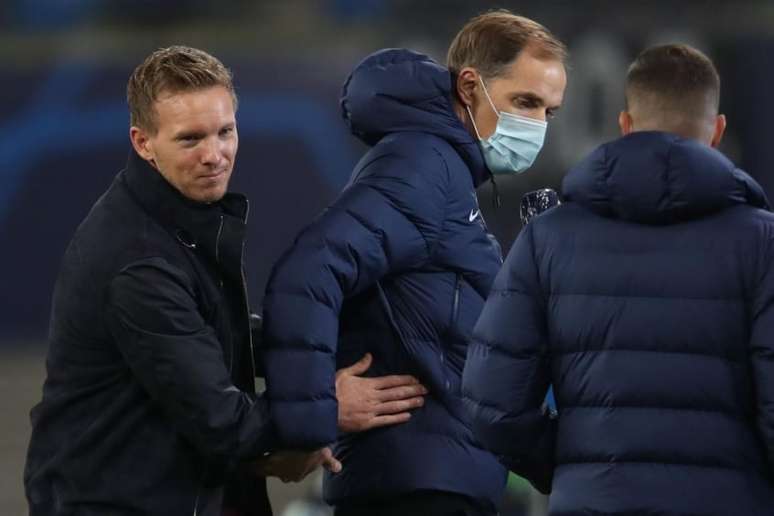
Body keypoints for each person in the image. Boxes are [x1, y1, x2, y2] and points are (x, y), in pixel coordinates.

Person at [24, 45, 426, 516]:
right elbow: (223, 420)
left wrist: (331, 344)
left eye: (225, 132)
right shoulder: (139, 264)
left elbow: (218, 340)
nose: (214, 155)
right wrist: (323, 406)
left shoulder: (178, 220)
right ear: (143, 142)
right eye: (190, 139)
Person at [261, 10, 567, 516]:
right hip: (416, 488)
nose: (536, 125)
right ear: (470, 86)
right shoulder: (424, 165)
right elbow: (309, 272)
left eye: (549, 112)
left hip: (434, 478)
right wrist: (312, 414)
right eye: (525, 102)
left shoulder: (444, 171)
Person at [462, 43, 774, 515]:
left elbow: (492, 402)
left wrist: (572, 466)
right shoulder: (763, 244)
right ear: (717, 131)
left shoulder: (548, 239)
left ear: (625, 125)